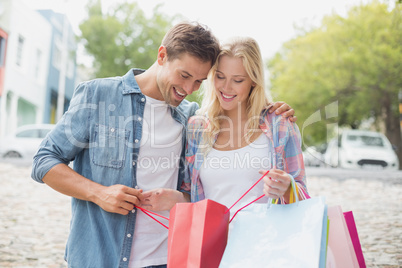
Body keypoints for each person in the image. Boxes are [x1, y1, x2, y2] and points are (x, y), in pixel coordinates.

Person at [31, 22, 295, 268]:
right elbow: (44, 161)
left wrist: (270, 110)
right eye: (184, 75)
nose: (188, 88)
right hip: (101, 257)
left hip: (167, 258)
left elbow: (197, 190)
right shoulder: (98, 96)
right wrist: (97, 193)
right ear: (161, 56)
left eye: (199, 81)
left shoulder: (190, 118)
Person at [182, 36, 310, 214]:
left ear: (253, 81)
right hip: (214, 241)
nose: (226, 87)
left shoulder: (279, 125)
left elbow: (303, 195)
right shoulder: (197, 128)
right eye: (220, 77)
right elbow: (188, 193)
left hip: (266, 239)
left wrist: (288, 189)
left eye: (238, 80)